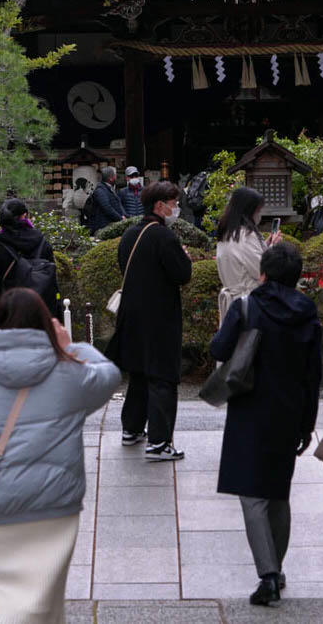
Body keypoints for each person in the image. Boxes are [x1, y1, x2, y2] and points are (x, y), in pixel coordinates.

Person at [0, 287, 120, 624]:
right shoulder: (67, 374)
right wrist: (71, 346)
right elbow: (109, 377)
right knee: (45, 602)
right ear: (45, 326)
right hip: (55, 506)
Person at [210, 240, 322, 606]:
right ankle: (277, 565)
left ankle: (268, 575)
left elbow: (219, 350)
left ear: (262, 273)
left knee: (252, 495)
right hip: (289, 410)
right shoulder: (308, 312)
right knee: (278, 493)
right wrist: (307, 424)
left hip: (249, 407)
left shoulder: (247, 306)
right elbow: (313, 374)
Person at [106, 180, 192, 460]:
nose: (176, 208)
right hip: (159, 317)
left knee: (139, 373)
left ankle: (131, 429)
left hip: (132, 315)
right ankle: (159, 441)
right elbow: (182, 274)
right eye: (173, 203)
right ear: (160, 206)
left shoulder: (130, 234)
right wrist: (185, 258)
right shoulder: (164, 237)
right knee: (162, 377)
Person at [0, 198, 59, 323]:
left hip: (9, 314)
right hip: (40, 312)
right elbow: (52, 281)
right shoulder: (41, 242)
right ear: (25, 215)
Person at [214, 186, 282, 323]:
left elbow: (244, 261)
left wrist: (265, 246)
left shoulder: (227, 233)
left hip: (234, 302)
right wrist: (274, 247)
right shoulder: (246, 236)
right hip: (249, 303)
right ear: (249, 211)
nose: (259, 214)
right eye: (257, 210)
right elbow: (262, 271)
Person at [82, 166, 126, 233]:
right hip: (103, 227)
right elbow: (107, 207)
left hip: (109, 225)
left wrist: (124, 215)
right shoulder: (100, 191)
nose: (116, 177)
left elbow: (117, 204)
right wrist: (120, 218)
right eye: (115, 175)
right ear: (110, 178)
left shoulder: (109, 188)